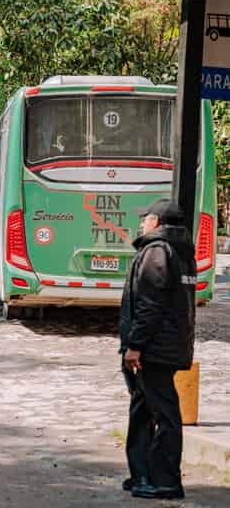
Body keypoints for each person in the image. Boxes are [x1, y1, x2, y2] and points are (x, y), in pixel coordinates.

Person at [119, 198, 196, 500]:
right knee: (142, 409)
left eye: (146, 218)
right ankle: (142, 473)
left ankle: (165, 481)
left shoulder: (157, 252)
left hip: (155, 349)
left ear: (158, 222)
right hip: (169, 345)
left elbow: (150, 305)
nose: (142, 223)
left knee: (163, 414)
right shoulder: (182, 252)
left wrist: (135, 345)